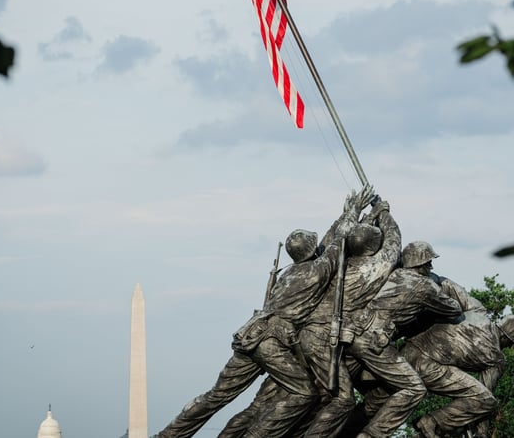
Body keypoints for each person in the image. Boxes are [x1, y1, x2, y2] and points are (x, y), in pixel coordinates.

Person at [153, 188, 372, 438]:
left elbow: (327, 243)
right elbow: (337, 244)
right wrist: (353, 212)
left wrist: (344, 214)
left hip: (250, 334)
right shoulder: (316, 272)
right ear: (311, 252)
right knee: (304, 393)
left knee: (216, 396)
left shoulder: (290, 273)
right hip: (271, 342)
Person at [296, 195, 402, 438]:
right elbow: (394, 243)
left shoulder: (330, 265)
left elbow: (329, 242)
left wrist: (355, 215)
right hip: (326, 339)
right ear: (373, 248)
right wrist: (384, 212)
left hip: (305, 337)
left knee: (319, 398)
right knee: (342, 400)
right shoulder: (372, 269)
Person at [341, 240, 463, 438]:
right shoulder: (425, 286)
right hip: (374, 342)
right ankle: (371, 435)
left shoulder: (396, 274)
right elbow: (454, 309)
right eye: (428, 263)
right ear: (419, 264)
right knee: (414, 388)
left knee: (353, 393)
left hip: (352, 334)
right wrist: (439, 285)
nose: (431, 267)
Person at [395, 312, 514, 438]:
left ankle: (437, 427)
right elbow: (484, 398)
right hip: (426, 366)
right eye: (512, 343)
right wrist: (482, 433)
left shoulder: (476, 314)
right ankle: (431, 422)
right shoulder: (496, 357)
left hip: (405, 352)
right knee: (486, 400)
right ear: (506, 336)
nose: (510, 347)